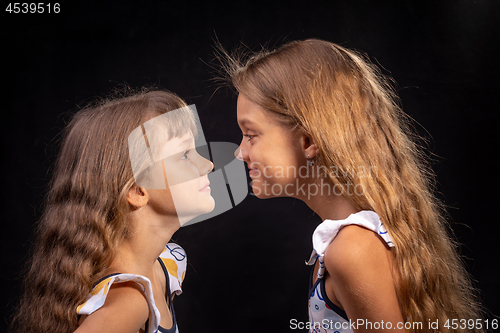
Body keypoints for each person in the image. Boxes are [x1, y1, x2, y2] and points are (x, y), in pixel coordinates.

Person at [222, 39, 483, 332]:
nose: (240, 152)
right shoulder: (354, 240)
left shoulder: (352, 250)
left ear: (308, 141)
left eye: (251, 134)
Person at [11, 88, 214, 333]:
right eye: (184, 155)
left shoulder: (163, 266)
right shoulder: (129, 301)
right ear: (137, 190)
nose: (208, 164)